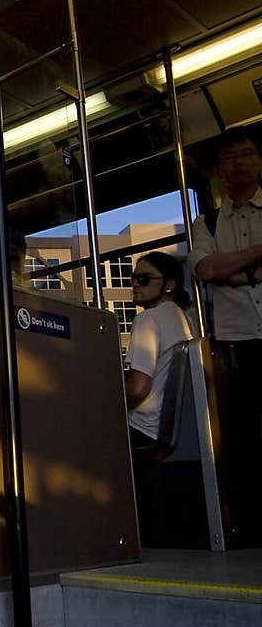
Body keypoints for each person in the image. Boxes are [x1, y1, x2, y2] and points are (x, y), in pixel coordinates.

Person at [188, 127, 262, 538]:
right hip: (235, 342)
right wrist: (254, 260)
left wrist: (233, 270)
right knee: (245, 435)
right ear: (219, 169)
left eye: (246, 153)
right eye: (230, 157)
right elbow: (206, 270)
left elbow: (221, 270)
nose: (239, 162)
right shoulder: (208, 222)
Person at [124, 252, 193, 455]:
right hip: (170, 426)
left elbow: (138, 389)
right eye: (133, 278)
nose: (135, 284)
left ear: (169, 285)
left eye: (143, 279)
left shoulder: (148, 319)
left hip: (142, 427)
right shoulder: (184, 318)